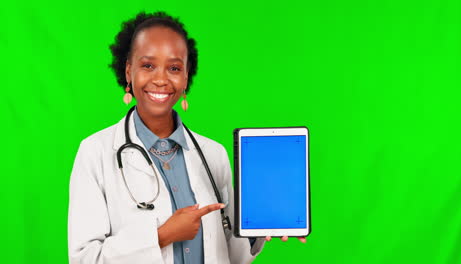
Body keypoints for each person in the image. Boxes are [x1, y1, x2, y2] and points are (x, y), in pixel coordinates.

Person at [67, 11, 305, 264]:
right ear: (128, 71)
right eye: (148, 65)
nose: (160, 79)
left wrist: (260, 227)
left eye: (174, 68)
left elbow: (231, 255)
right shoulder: (96, 152)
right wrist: (161, 236)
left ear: (186, 76)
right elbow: (84, 259)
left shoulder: (213, 154)